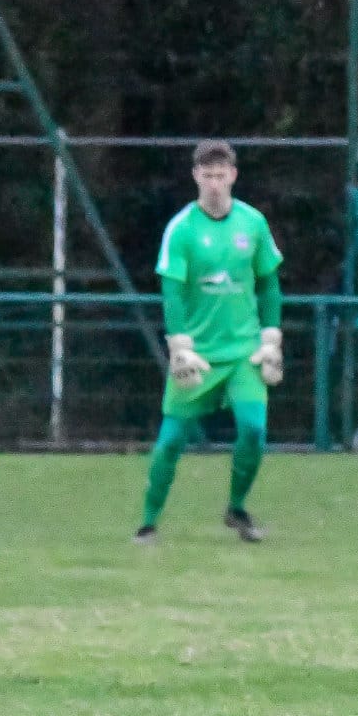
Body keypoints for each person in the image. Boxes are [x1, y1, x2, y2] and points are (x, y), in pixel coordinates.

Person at [137, 140, 284, 544]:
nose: (215, 184)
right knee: (170, 441)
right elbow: (172, 291)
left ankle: (236, 509)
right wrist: (179, 346)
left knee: (253, 429)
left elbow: (269, 283)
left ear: (233, 176)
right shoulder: (182, 228)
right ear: (195, 177)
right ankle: (148, 523)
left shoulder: (252, 223)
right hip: (198, 355)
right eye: (207, 176)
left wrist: (271, 337)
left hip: (243, 353)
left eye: (221, 175)